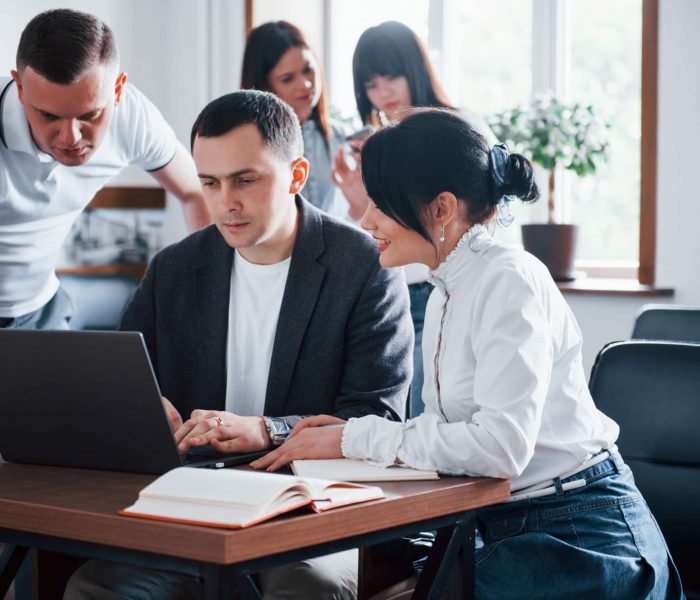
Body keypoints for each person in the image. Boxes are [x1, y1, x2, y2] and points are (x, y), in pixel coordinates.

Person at [254, 109, 685, 599]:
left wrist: (354, 439)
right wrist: (347, 437)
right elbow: (451, 437)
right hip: (503, 523)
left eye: (379, 203)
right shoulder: (445, 289)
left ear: (441, 209)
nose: (364, 218)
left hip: (578, 535)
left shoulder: (508, 279)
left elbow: (500, 447)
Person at [64, 90, 413, 600]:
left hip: (313, 505)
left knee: (307, 588)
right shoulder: (174, 269)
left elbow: (377, 416)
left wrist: (265, 431)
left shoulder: (365, 266)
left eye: (245, 180)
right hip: (197, 500)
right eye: (209, 182)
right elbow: (122, 383)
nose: (225, 202)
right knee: (97, 589)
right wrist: (143, 413)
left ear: (296, 176)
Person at [0, 9, 210, 333]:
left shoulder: (132, 118)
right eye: (48, 116)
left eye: (90, 115)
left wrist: (209, 293)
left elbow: (195, 191)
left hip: (42, 308)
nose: (70, 138)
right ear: (20, 89)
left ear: (117, 90)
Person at [333, 20, 497, 419]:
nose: (383, 92)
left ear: (416, 69)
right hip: (387, 292)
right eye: (370, 84)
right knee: (395, 414)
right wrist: (359, 205)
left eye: (391, 76)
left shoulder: (459, 128)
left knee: (434, 414)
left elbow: (485, 215)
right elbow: (361, 233)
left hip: (437, 287)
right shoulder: (364, 146)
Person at [241, 20, 347, 217]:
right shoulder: (248, 148)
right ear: (265, 87)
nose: (306, 84)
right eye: (288, 78)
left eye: (308, 70)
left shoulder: (344, 139)